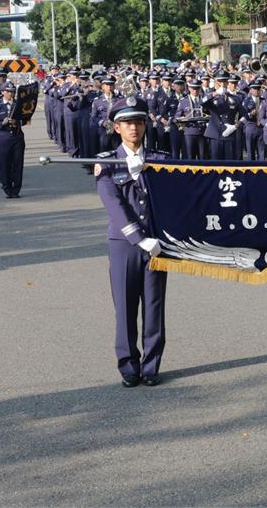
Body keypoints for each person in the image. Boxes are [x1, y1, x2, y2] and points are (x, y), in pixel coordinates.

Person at [95, 97, 169, 387]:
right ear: (116, 127)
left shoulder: (161, 159)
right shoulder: (107, 163)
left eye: (138, 122)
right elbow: (114, 205)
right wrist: (139, 239)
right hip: (125, 244)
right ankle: (128, 364)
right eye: (127, 123)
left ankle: (151, 365)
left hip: (157, 243)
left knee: (154, 306)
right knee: (125, 307)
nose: (134, 128)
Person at [0, 82, 26, 198]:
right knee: (5, 164)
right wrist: (1, 123)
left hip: (17, 137)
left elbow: (26, 119)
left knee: (18, 164)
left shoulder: (17, 105)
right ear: (3, 92)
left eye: (13, 91)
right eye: (9, 91)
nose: (11, 93)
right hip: (4, 139)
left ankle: (16, 190)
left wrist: (18, 122)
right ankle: (7, 188)